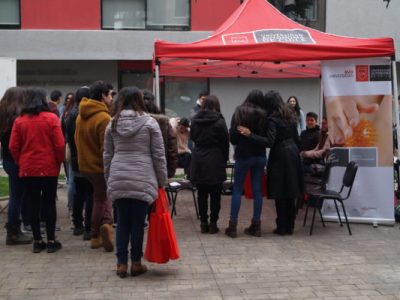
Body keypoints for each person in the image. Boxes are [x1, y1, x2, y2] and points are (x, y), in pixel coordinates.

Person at [103, 87, 167, 278]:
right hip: (143, 178)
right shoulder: (150, 123)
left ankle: (121, 264)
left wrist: (109, 178)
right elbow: (158, 155)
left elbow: (107, 155)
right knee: (138, 224)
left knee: (122, 222)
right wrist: (162, 180)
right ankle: (136, 263)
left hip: (118, 177)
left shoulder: (112, 124)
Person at [238, 90, 304, 236]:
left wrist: (250, 135)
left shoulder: (273, 119)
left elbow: (269, 141)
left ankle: (281, 226)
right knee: (291, 191)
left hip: (280, 155)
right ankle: (290, 226)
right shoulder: (290, 115)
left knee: (280, 191)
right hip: (293, 153)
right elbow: (298, 139)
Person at [9, 88, 65, 253]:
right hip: (49, 167)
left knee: (32, 203)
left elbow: (13, 146)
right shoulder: (51, 118)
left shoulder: (20, 121)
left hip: (28, 168)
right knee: (49, 203)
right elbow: (60, 144)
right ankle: (51, 239)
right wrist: (58, 161)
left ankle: (37, 240)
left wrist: (21, 161)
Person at [75, 80, 114, 251]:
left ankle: (106, 225)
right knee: (101, 198)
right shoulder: (103, 117)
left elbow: (78, 140)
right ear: (103, 96)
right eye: (110, 95)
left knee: (102, 196)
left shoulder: (80, 114)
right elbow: (106, 148)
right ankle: (96, 233)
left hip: (85, 164)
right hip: (99, 166)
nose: (112, 98)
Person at [225, 89, 268, 238]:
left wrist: (244, 136)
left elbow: (233, 138)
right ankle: (256, 226)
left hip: (243, 156)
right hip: (260, 156)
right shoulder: (265, 115)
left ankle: (232, 226)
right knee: (257, 191)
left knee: (237, 190)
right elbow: (267, 139)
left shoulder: (239, 112)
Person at [190, 95, 229, 234]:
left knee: (201, 193)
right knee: (215, 194)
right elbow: (225, 142)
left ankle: (203, 222)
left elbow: (193, 137)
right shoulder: (219, 121)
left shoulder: (194, 120)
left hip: (199, 157)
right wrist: (224, 160)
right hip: (215, 157)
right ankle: (213, 222)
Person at [0, 87, 32, 245]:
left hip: (6, 160)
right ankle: (13, 232)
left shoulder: (3, 115)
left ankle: (15, 229)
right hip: (16, 160)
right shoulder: (18, 119)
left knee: (16, 195)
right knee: (16, 197)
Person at [65, 86, 93, 240]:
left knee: (79, 194)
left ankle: (77, 224)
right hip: (86, 158)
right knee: (89, 194)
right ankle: (88, 227)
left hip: (76, 159)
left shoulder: (70, 115)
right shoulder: (83, 115)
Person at [143, 89, 178, 179]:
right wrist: (170, 171)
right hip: (159, 169)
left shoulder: (129, 121)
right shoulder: (163, 122)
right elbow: (172, 149)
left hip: (135, 171)